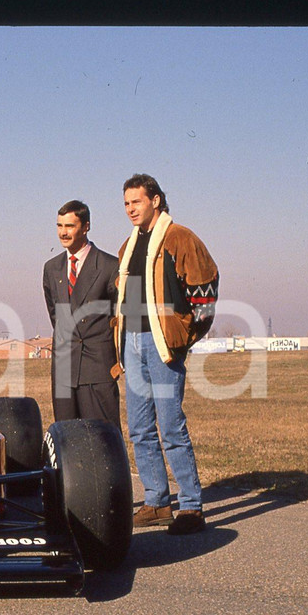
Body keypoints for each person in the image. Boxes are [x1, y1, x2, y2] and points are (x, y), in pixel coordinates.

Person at [113, 174, 218, 535]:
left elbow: (204, 295)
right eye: (126, 203)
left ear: (155, 200)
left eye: (136, 202)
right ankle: (157, 502)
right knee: (140, 428)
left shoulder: (180, 237)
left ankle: (190, 506)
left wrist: (181, 338)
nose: (130, 209)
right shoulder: (128, 244)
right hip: (131, 341)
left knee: (171, 426)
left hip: (162, 345)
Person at [42, 200, 121, 428]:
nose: (63, 233)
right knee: (68, 441)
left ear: (86, 227)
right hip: (64, 367)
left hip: (97, 367)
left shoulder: (110, 266)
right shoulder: (51, 268)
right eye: (59, 226)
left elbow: (122, 316)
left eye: (70, 226)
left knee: (102, 439)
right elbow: (56, 314)